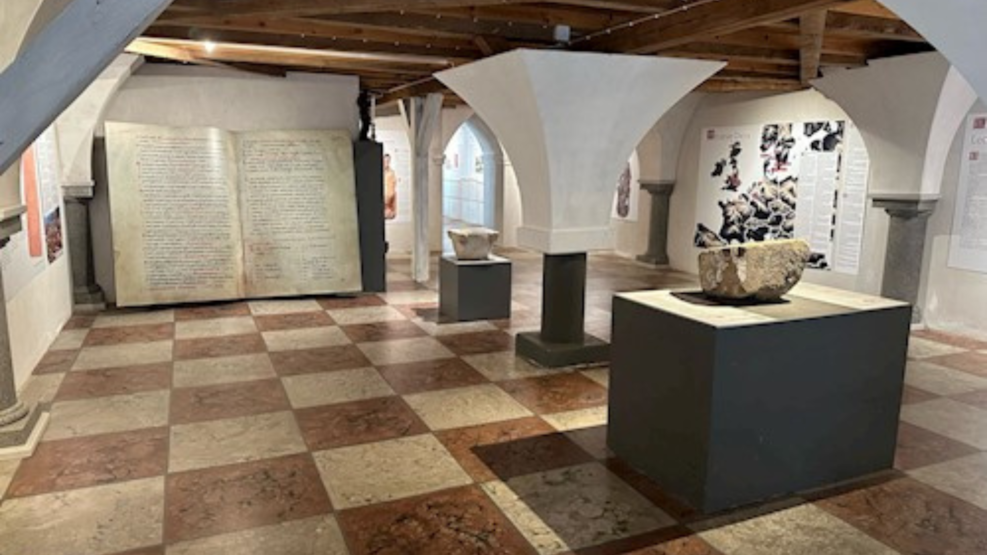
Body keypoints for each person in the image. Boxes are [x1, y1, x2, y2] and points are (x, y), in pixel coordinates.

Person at [383, 152, 397, 220]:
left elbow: (393, 189)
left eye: (388, 161)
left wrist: (392, 209)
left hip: (389, 201)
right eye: (385, 161)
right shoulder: (378, 172)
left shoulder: (392, 173)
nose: (387, 162)